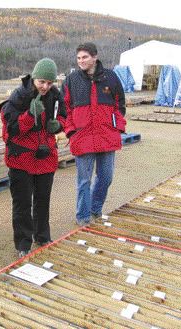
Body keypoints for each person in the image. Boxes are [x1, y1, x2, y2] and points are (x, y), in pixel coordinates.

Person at [1, 58, 66, 258]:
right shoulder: (19, 96)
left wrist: (59, 125)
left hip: (45, 158)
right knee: (22, 203)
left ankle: (42, 236)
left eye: (49, 82)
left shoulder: (55, 96)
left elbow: (63, 115)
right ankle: (23, 243)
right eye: (41, 82)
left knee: (42, 200)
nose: (45, 86)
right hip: (22, 160)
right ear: (34, 78)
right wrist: (30, 115)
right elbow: (10, 132)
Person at [61, 42, 126, 226]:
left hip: (106, 136)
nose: (81, 61)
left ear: (95, 57)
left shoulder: (111, 78)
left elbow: (119, 105)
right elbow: (65, 109)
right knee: (84, 181)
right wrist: (71, 131)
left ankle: (95, 208)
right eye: (79, 58)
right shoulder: (71, 80)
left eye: (85, 57)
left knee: (106, 177)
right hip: (82, 138)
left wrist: (117, 127)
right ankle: (83, 216)